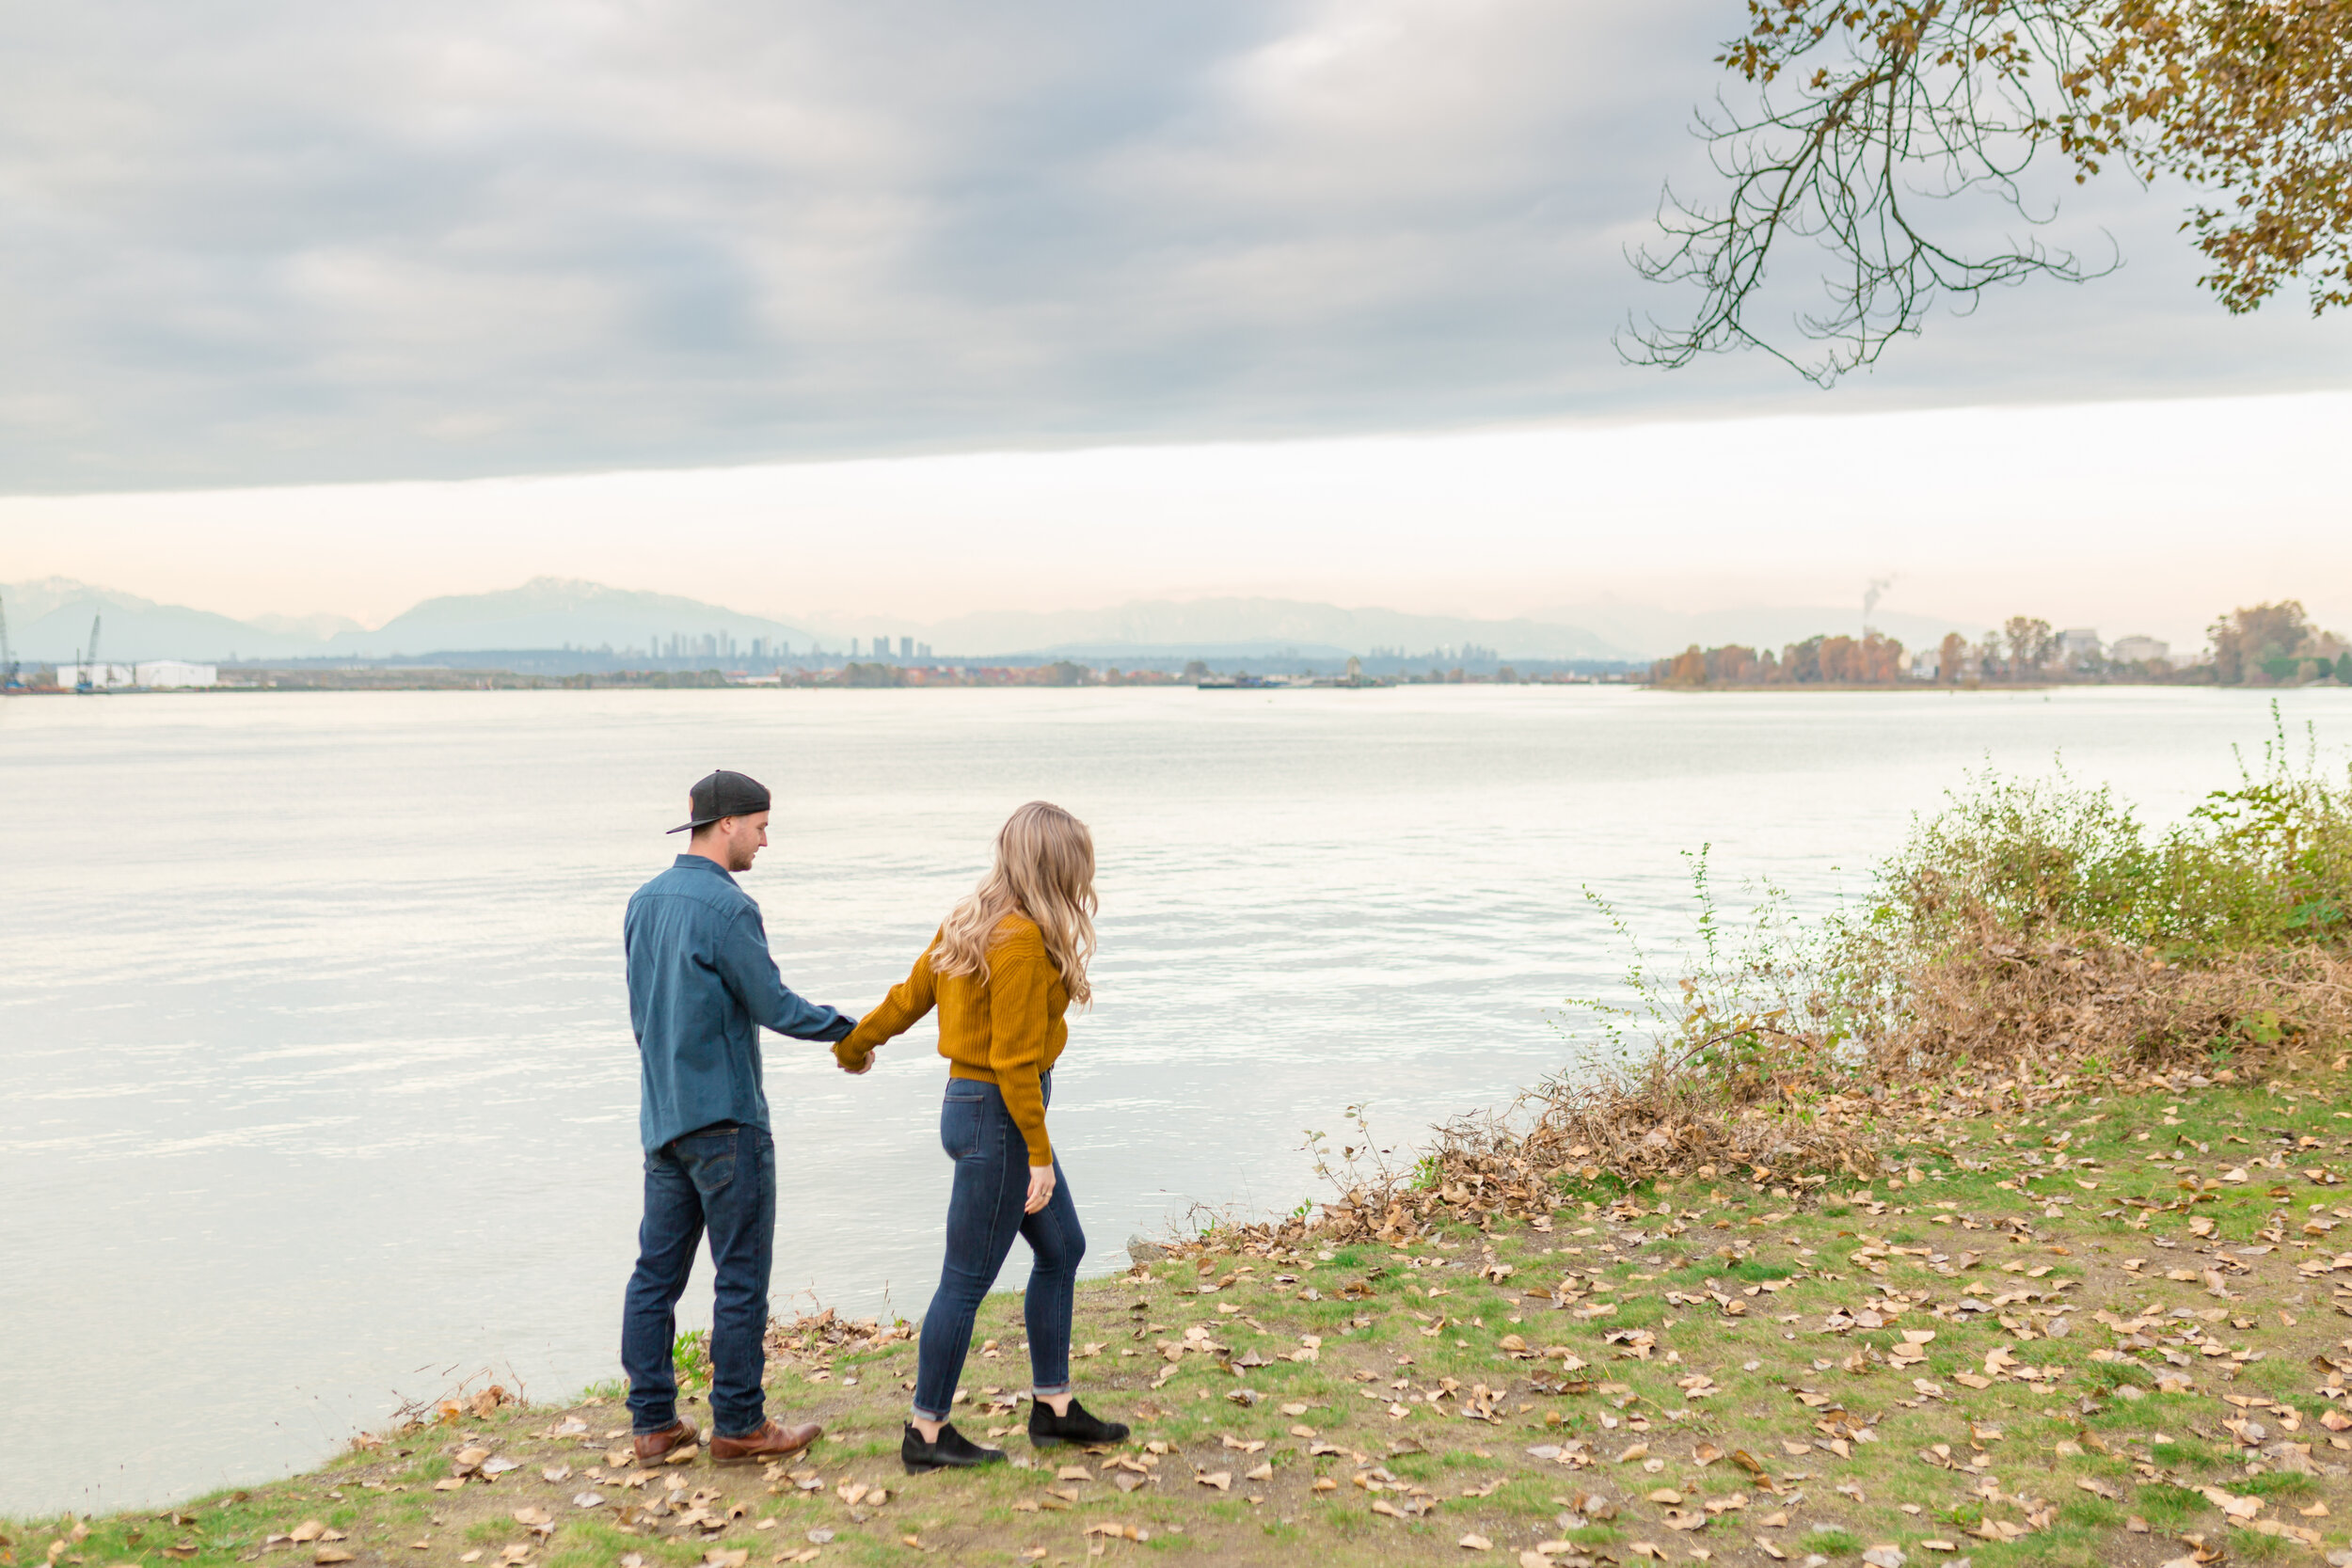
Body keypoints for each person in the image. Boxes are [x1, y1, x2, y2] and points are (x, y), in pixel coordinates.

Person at [834, 800, 1130, 1474]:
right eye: (1079, 860)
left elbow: (907, 998)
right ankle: (927, 1432)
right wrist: (1038, 1152)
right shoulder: (1021, 939)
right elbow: (1014, 1060)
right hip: (999, 1117)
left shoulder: (969, 921)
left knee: (1063, 1248)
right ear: (1056, 864)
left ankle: (1053, 1409)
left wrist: (856, 1045)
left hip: (969, 1108)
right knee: (965, 1281)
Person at [620, 768, 858, 1465]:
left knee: (655, 1276)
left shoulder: (642, 902)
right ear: (726, 824)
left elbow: (642, 1013)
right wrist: (850, 1031)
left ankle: (653, 1424)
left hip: (663, 1118)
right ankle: (740, 1424)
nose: (764, 839)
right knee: (741, 1277)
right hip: (726, 1118)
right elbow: (774, 1003)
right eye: (759, 825)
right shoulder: (729, 908)